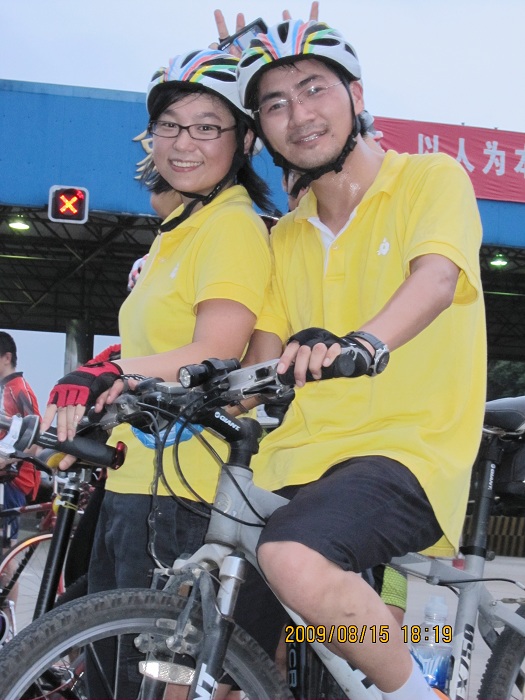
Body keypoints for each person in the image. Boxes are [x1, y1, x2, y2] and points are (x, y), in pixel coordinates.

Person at [233, 19, 486, 700]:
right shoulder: (284, 237)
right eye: (275, 104)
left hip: (406, 453)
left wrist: (364, 342)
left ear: (357, 96)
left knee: (294, 557)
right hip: (295, 465)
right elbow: (258, 366)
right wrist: (156, 385)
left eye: (313, 89)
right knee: (219, 648)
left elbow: (436, 279)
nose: (298, 115)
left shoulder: (430, 178)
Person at [41, 48, 273, 697]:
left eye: (206, 127)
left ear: (243, 140)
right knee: (106, 676)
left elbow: (217, 349)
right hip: (136, 481)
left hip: (185, 488)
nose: (183, 142)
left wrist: (105, 369)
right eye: (170, 125)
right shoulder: (177, 231)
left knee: (146, 682)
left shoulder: (231, 227)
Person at [0, 331, 41, 551]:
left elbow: (35, 437)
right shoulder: (6, 388)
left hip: (14, 478)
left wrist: (7, 460)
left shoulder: (19, 389)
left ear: (7, 357)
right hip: (6, 476)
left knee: (7, 550)